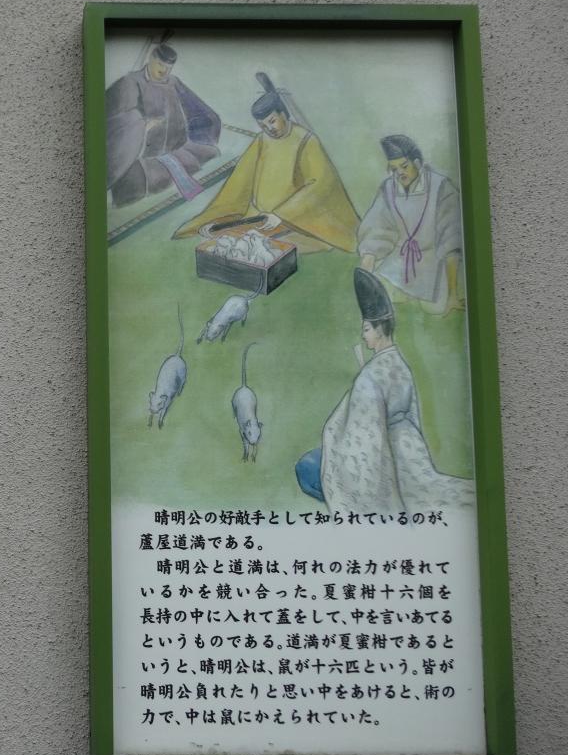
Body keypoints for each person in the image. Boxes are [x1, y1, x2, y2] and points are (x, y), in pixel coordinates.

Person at [294, 269, 474, 513]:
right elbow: (410, 416)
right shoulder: (400, 364)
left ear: (378, 329)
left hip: (385, 456)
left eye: (366, 329)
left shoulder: (370, 376)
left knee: (307, 467)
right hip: (411, 453)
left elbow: (362, 441)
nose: (363, 336)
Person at [174, 82, 359, 254]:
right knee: (226, 239)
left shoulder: (306, 140)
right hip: (258, 217)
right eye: (263, 126)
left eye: (272, 121)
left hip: (296, 219)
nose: (269, 129)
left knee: (266, 246)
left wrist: (282, 214)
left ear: (283, 114)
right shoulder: (262, 140)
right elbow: (240, 182)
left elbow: (320, 184)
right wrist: (216, 219)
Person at [104, 39, 221, 207]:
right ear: (151, 59)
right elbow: (116, 118)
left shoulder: (173, 82)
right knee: (135, 190)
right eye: (160, 64)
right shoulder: (130, 81)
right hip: (142, 155)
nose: (163, 70)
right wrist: (143, 125)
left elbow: (194, 105)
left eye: (168, 67)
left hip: (176, 148)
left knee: (211, 156)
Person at [357, 135, 465, 316]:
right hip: (399, 261)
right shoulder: (388, 188)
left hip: (433, 261)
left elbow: (451, 239)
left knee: (435, 309)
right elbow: (376, 230)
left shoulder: (441, 187)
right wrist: (365, 273)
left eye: (404, 166)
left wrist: (453, 293)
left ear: (417, 163)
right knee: (381, 296)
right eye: (394, 169)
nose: (400, 173)